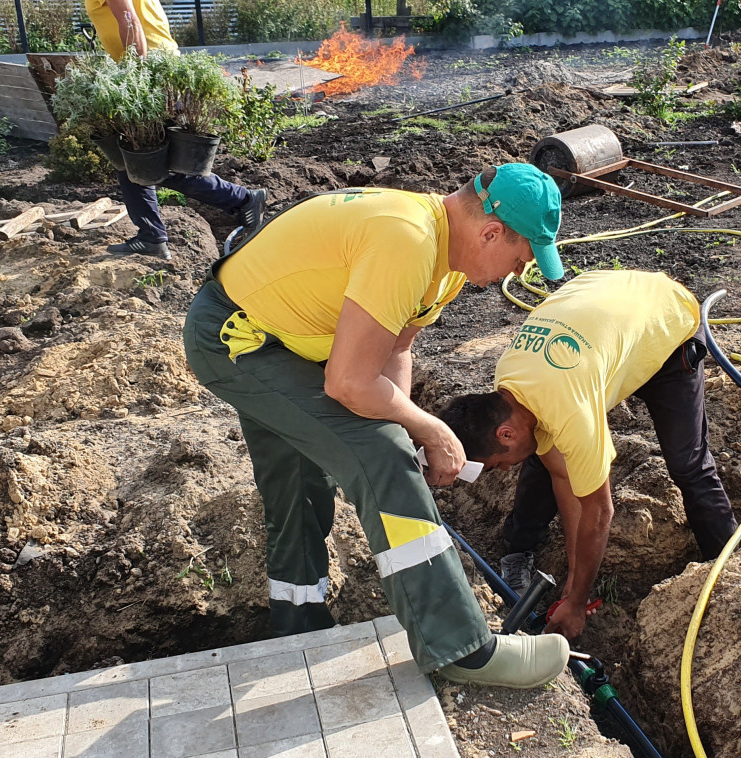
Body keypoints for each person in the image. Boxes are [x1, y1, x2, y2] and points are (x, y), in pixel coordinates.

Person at [183, 163, 572, 688]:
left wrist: (407, 421)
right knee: (379, 451)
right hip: (236, 337)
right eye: (520, 258)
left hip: (289, 338)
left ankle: (297, 624)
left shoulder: (448, 259)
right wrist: (425, 431)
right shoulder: (406, 242)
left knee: (300, 474)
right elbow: (348, 384)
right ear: (490, 232)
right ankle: (461, 647)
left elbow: (395, 349)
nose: (515, 274)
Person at [436, 270, 738, 640]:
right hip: (607, 317)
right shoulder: (511, 381)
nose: (500, 470)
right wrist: (576, 581)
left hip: (668, 327)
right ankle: (519, 550)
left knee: (686, 462)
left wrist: (577, 603)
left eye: (497, 462)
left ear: (505, 433)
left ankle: (727, 568)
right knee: (541, 458)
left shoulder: (570, 412)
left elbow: (598, 509)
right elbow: (564, 478)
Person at [85, 0, 266, 259]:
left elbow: (130, 21)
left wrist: (138, 77)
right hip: (160, 69)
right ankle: (151, 236)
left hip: (153, 74)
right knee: (131, 158)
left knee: (147, 162)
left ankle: (242, 200)